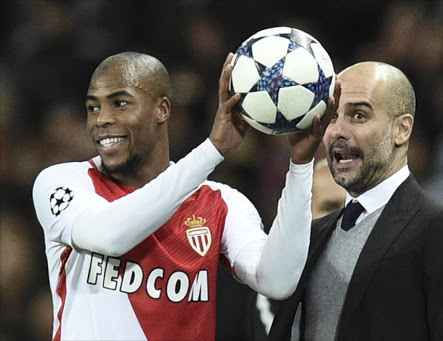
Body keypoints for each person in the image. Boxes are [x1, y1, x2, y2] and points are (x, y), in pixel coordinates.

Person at [32, 51, 340, 341]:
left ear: (162, 109)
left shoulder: (222, 204)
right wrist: (212, 150)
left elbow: (278, 281)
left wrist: (301, 166)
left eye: (120, 103)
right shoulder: (63, 183)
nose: (101, 119)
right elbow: (111, 237)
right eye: (93, 107)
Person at [268, 61, 443, 340]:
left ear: (402, 129)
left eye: (359, 115)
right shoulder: (314, 235)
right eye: (333, 116)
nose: (337, 130)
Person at [250, 159, 346, 340]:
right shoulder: (276, 288)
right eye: (330, 208)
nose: (343, 218)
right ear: (302, 216)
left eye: (352, 208)